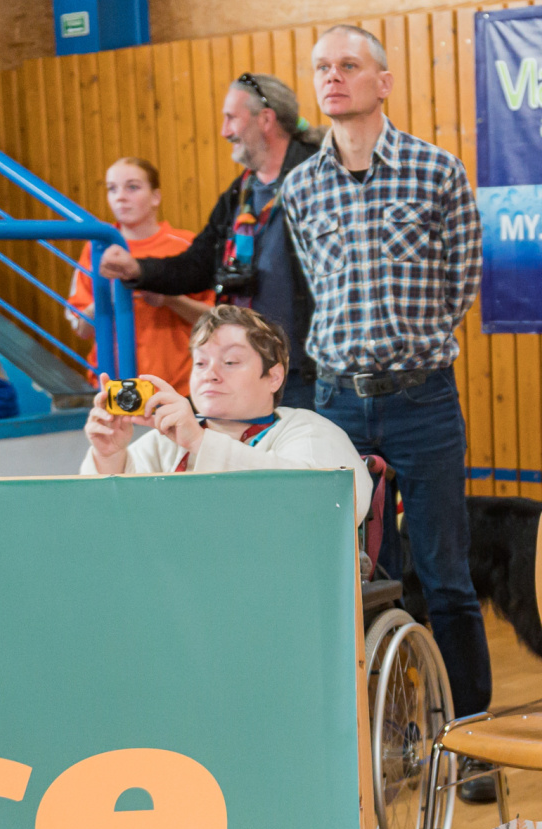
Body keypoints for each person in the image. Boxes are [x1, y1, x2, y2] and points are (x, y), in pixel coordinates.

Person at [280, 24, 492, 794]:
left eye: (348, 65)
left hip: (421, 399)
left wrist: (413, 346)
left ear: (384, 81)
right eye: (321, 68)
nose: (332, 78)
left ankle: (472, 739)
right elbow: (315, 284)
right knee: (362, 579)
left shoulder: (437, 172)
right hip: (337, 400)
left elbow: (462, 279)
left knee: (445, 576)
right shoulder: (299, 187)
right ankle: (394, 738)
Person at [97, 75, 321, 410]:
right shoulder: (240, 192)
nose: (224, 131)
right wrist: (138, 270)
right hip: (252, 370)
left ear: (266, 119)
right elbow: (198, 265)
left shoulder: (319, 177)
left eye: (231, 118)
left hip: (310, 373)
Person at [81, 303, 370, 523]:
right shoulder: (163, 442)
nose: (211, 374)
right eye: (200, 363)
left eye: (230, 362)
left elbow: (331, 508)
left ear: (274, 377)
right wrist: (109, 457)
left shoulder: (309, 430)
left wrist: (200, 442)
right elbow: (109, 526)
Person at [66, 157, 212, 392]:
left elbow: (216, 320)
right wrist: (104, 300)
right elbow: (81, 329)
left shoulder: (186, 245)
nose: (120, 197)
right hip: (113, 386)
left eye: (132, 187)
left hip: (177, 387)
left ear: (155, 197)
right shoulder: (96, 249)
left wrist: (170, 299)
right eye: (112, 189)